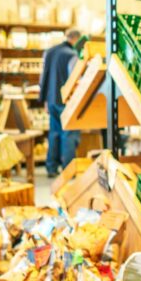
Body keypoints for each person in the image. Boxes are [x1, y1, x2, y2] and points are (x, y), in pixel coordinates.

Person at [39, 28, 82, 177]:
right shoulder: (72, 55)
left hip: (51, 100)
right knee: (69, 134)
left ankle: (51, 168)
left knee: (54, 133)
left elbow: (43, 77)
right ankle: (68, 169)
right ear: (76, 39)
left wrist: (44, 99)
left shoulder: (50, 52)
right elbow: (75, 80)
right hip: (66, 101)